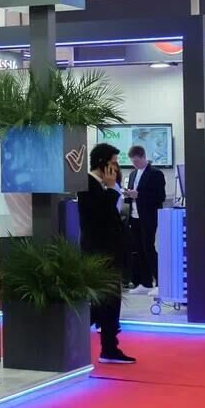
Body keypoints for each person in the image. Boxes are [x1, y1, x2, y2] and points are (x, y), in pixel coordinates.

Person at [79, 142, 134, 364]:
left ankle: (110, 346)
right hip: (98, 251)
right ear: (102, 163)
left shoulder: (107, 184)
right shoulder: (88, 184)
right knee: (103, 301)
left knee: (109, 301)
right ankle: (106, 346)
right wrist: (111, 189)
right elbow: (99, 216)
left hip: (111, 249)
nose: (116, 168)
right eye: (113, 163)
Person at [123, 145, 166, 295]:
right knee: (138, 250)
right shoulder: (132, 174)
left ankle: (160, 282)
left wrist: (139, 195)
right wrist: (128, 194)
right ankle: (145, 282)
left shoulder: (156, 173)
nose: (134, 164)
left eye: (136, 161)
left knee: (148, 248)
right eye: (132, 162)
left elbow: (160, 197)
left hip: (148, 216)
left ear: (143, 157)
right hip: (134, 216)